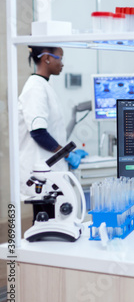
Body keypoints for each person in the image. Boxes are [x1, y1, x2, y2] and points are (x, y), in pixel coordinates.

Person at [18, 46, 87, 197]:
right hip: (41, 174)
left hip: (48, 172)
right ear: (46, 58)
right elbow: (39, 134)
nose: (62, 63)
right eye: (60, 58)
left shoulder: (44, 85)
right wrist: (66, 154)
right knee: (46, 219)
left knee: (53, 219)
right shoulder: (35, 88)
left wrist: (67, 153)